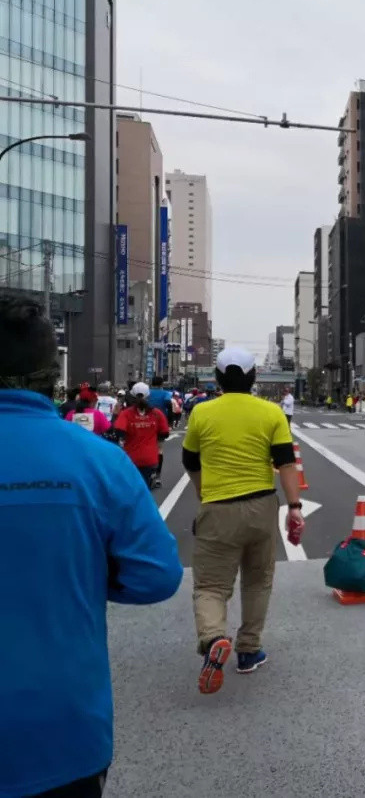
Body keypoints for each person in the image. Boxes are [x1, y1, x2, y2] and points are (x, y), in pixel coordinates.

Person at [0, 294, 182, 798]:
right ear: (47, 369)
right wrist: (81, 570)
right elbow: (157, 575)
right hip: (61, 728)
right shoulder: (96, 461)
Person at [181, 347, 306, 695]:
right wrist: (294, 507)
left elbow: (190, 460)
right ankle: (248, 651)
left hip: (218, 507)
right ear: (254, 379)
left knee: (210, 586)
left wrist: (203, 493)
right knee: (258, 581)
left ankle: (213, 639)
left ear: (217, 379)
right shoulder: (271, 413)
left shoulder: (202, 413)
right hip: (262, 507)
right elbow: (285, 463)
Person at [114, 383, 171, 489]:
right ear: (148, 396)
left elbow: (118, 431)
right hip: (150, 458)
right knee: (145, 489)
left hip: (131, 458)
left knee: (131, 488)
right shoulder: (156, 413)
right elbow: (164, 433)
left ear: (132, 396)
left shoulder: (126, 413)